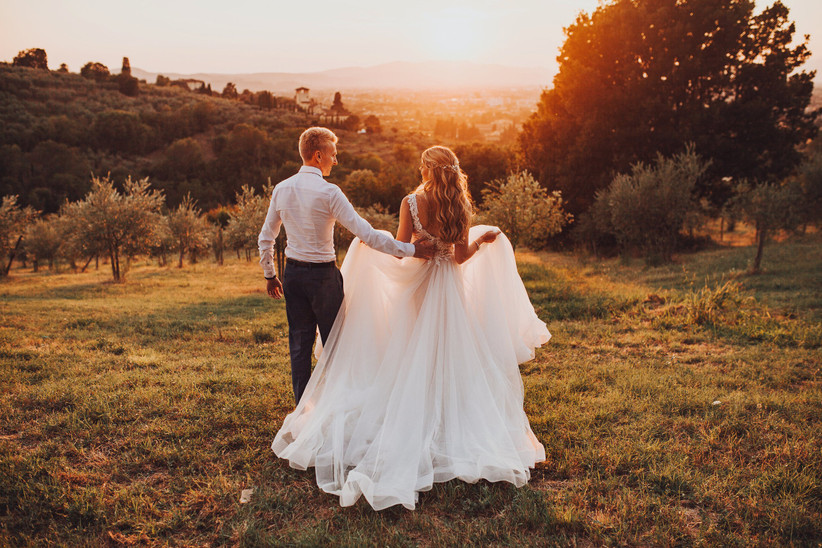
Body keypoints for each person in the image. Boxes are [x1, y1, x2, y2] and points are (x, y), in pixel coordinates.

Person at [272, 145, 551, 510]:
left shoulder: (411, 204)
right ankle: (448, 411)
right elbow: (462, 257)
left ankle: (414, 406)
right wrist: (481, 241)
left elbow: (403, 248)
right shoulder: (460, 205)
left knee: (414, 346)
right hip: (449, 286)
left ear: (425, 170)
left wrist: (380, 246)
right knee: (448, 350)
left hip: (420, 282)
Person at [258, 127, 434, 404]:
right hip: (323, 279)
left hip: (292, 276)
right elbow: (368, 235)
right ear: (318, 155)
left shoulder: (281, 189)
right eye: (333, 154)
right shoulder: (330, 193)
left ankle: (302, 408)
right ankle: (339, 407)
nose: (335, 161)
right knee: (337, 346)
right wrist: (411, 249)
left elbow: (266, 237)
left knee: (299, 344)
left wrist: (270, 274)